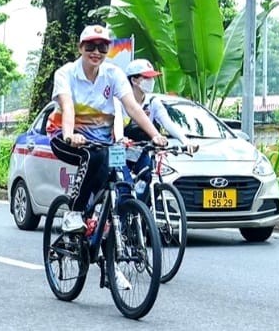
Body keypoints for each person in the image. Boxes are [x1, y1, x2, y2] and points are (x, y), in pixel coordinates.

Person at [48, 25, 167, 235]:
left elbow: (132, 107)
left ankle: (104, 224)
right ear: (80, 47)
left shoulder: (113, 74)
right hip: (64, 136)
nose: (96, 52)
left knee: (116, 175)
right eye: (91, 46)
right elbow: (67, 108)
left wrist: (155, 135)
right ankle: (74, 213)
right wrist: (69, 135)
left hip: (104, 141)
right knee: (93, 156)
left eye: (102, 47)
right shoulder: (65, 73)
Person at [119, 58, 193, 199]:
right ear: (134, 80)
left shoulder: (153, 102)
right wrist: (120, 138)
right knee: (124, 187)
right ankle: (116, 217)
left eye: (152, 78)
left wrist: (185, 141)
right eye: (146, 78)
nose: (151, 81)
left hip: (141, 150)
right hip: (120, 151)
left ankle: (140, 214)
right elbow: (116, 124)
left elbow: (168, 123)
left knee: (148, 179)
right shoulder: (120, 101)